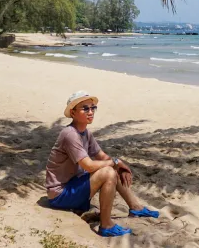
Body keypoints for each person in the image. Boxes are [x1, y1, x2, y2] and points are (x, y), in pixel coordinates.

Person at [45, 90, 159, 237]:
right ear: (73, 113)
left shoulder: (85, 132)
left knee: (111, 167)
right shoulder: (70, 134)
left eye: (93, 108)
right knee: (108, 170)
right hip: (60, 195)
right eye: (85, 108)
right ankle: (106, 225)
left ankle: (135, 207)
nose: (90, 112)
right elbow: (89, 166)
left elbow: (102, 156)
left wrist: (119, 165)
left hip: (73, 185)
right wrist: (115, 163)